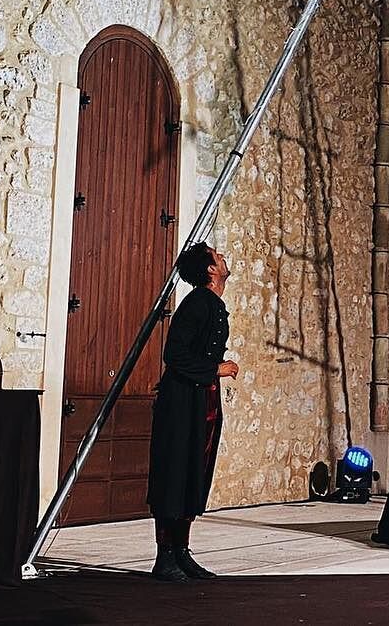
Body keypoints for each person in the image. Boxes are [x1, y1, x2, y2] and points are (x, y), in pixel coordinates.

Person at [146, 242, 238, 582]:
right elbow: (175, 354)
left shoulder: (212, 304)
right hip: (182, 402)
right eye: (216, 255)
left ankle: (182, 552)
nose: (222, 257)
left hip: (202, 401)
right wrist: (216, 368)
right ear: (210, 270)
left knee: (193, 473)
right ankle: (165, 557)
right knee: (175, 473)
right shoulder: (197, 303)